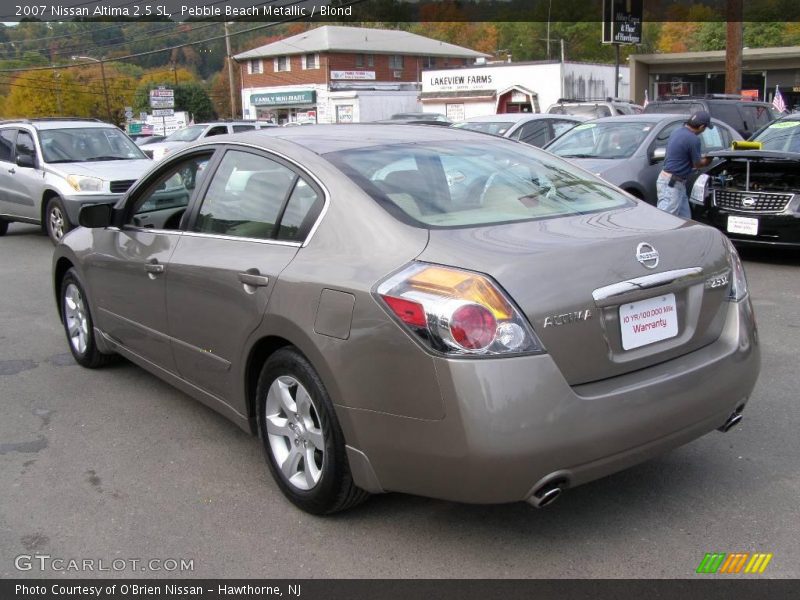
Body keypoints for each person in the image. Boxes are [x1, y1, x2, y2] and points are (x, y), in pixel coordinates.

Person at [656, 111, 713, 218]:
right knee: (665, 219)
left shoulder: (676, 131)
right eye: (705, 128)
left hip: (672, 182)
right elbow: (697, 164)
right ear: (701, 127)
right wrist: (708, 159)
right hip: (672, 184)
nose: (704, 130)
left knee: (685, 219)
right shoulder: (693, 139)